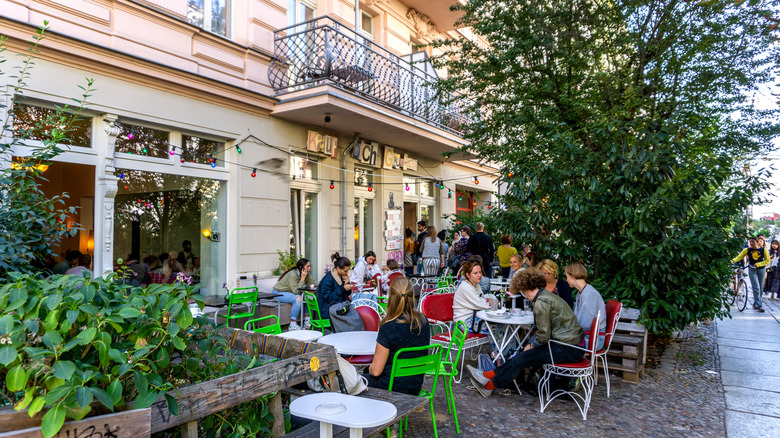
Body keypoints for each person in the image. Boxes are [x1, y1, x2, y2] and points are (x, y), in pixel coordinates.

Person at [466, 268, 585, 398]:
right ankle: (486, 377)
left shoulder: (541, 303)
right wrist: (531, 345)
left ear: (525, 288)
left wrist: (531, 346)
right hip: (569, 344)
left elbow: (543, 335)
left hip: (568, 348)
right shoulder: (545, 295)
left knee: (520, 359)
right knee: (520, 357)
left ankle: (488, 384)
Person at [367, 277, 431, 395]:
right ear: (412, 297)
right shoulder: (424, 322)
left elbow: (376, 371)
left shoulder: (388, 328)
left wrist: (369, 367)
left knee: (356, 379)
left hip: (390, 387)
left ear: (390, 299)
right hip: (414, 387)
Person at [564, 263, 607, 350]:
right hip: (587, 335)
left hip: (594, 339)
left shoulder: (588, 294)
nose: (566, 280)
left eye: (567, 276)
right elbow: (577, 319)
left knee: (554, 341)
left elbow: (584, 324)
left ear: (573, 277)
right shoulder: (581, 292)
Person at [272, 258, 317, 330]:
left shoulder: (306, 274)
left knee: (307, 296)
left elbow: (314, 283)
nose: (310, 268)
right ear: (301, 267)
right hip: (278, 293)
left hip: (289, 293)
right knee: (298, 298)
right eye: (307, 266)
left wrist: (325, 283)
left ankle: (307, 322)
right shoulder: (293, 275)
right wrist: (302, 278)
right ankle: (292, 324)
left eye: (309, 266)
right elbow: (296, 291)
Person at [453, 258, 494, 330]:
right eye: (475, 273)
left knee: (498, 325)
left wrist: (487, 300)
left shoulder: (476, 285)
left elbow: (481, 300)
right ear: (468, 275)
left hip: (475, 316)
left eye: (480, 272)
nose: (479, 275)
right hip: (464, 321)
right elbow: (482, 305)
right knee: (496, 327)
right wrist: (494, 303)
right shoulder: (466, 287)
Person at [732, 237, 770, 312]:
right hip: (752, 270)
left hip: (761, 269)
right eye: (750, 241)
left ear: (757, 242)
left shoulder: (763, 250)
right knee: (756, 287)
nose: (751, 243)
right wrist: (732, 261)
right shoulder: (747, 250)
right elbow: (739, 257)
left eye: (753, 241)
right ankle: (759, 305)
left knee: (760, 287)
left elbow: (767, 260)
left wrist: (759, 264)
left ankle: (756, 303)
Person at [317, 252, 354, 321]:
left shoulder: (342, 276)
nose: (347, 273)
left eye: (348, 270)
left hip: (338, 306)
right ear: (338, 268)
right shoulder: (328, 279)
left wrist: (347, 284)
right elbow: (329, 298)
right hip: (327, 309)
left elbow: (347, 294)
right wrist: (343, 288)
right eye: (345, 271)